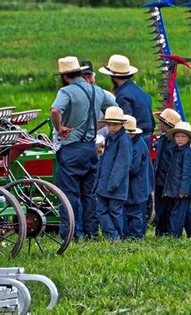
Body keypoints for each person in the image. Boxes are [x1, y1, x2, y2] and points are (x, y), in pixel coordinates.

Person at [50, 56, 117, 241]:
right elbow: (114, 108)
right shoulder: (97, 91)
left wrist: (59, 128)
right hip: (90, 148)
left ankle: (71, 233)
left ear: (64, 76)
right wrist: (95, 123)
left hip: (71, 148)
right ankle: (92, 233)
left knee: (69, 193)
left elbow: (55, 111)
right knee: (89, 193)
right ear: (80, 72)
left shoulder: (66, 91)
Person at [153, 109, 191, 237]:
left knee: (177, 210)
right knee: (172, 208)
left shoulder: (179, 147)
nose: (159, 125)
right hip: (162, 179)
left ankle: (174, 233)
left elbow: (183, 170)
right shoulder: (163, 139)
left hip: (172, 182)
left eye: (161, 122)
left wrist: (181, 187)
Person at [95, 107, 132, 240]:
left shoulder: (124, 140)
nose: (111, 127)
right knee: (101, 210)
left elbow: (122, 164)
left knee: (115, 212)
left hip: (114, 185)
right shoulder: (110, 138)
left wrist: (113, 184)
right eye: (109, 124)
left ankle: (117, 236)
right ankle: (112, 235)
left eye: (115, 124)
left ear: (121, 124)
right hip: (104, 183)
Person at [99, 54, 155, 144]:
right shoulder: (142, 93)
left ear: (112, 77)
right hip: (147, 138)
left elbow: (125, 123)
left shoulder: (123, 96)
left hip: (134, 140)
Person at [162, 121, 191, 238]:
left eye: (183, 137)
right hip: (176, 187)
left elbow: (187, 173)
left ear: (188, 139)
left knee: (177, 213)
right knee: (187, 212)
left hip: (182, 190)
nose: (180, 139)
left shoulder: (187, 153)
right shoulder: (177, 151)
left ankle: (174, 235)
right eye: (177, 136)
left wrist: (183, 190)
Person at [123, 115, 154, 239]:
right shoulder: (136, 142)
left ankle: (137, 236)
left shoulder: (137, 146)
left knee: (136, 212)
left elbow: (133, 168)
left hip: (138, 185)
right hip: (138, 184)